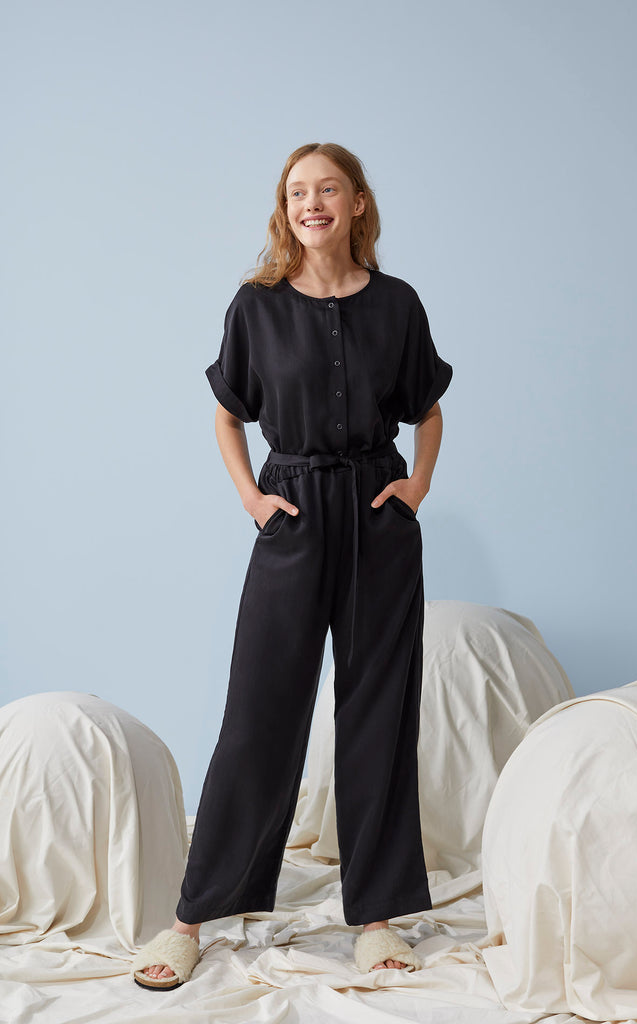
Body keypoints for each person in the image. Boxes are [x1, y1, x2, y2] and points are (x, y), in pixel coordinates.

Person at [131, 141, 453, 989]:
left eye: (328, 189)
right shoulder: (257, 305)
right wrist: (251, 498)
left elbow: (427, 409)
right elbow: (226, 413)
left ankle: (376, 919)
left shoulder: (397, 303)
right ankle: (191, 919)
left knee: (378, 714)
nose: (312, 203)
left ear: (356, 203)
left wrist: (416, 487)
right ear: (286, 208)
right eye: (298, 191)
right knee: (260, 711)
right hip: (295, 511)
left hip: (378, 517)